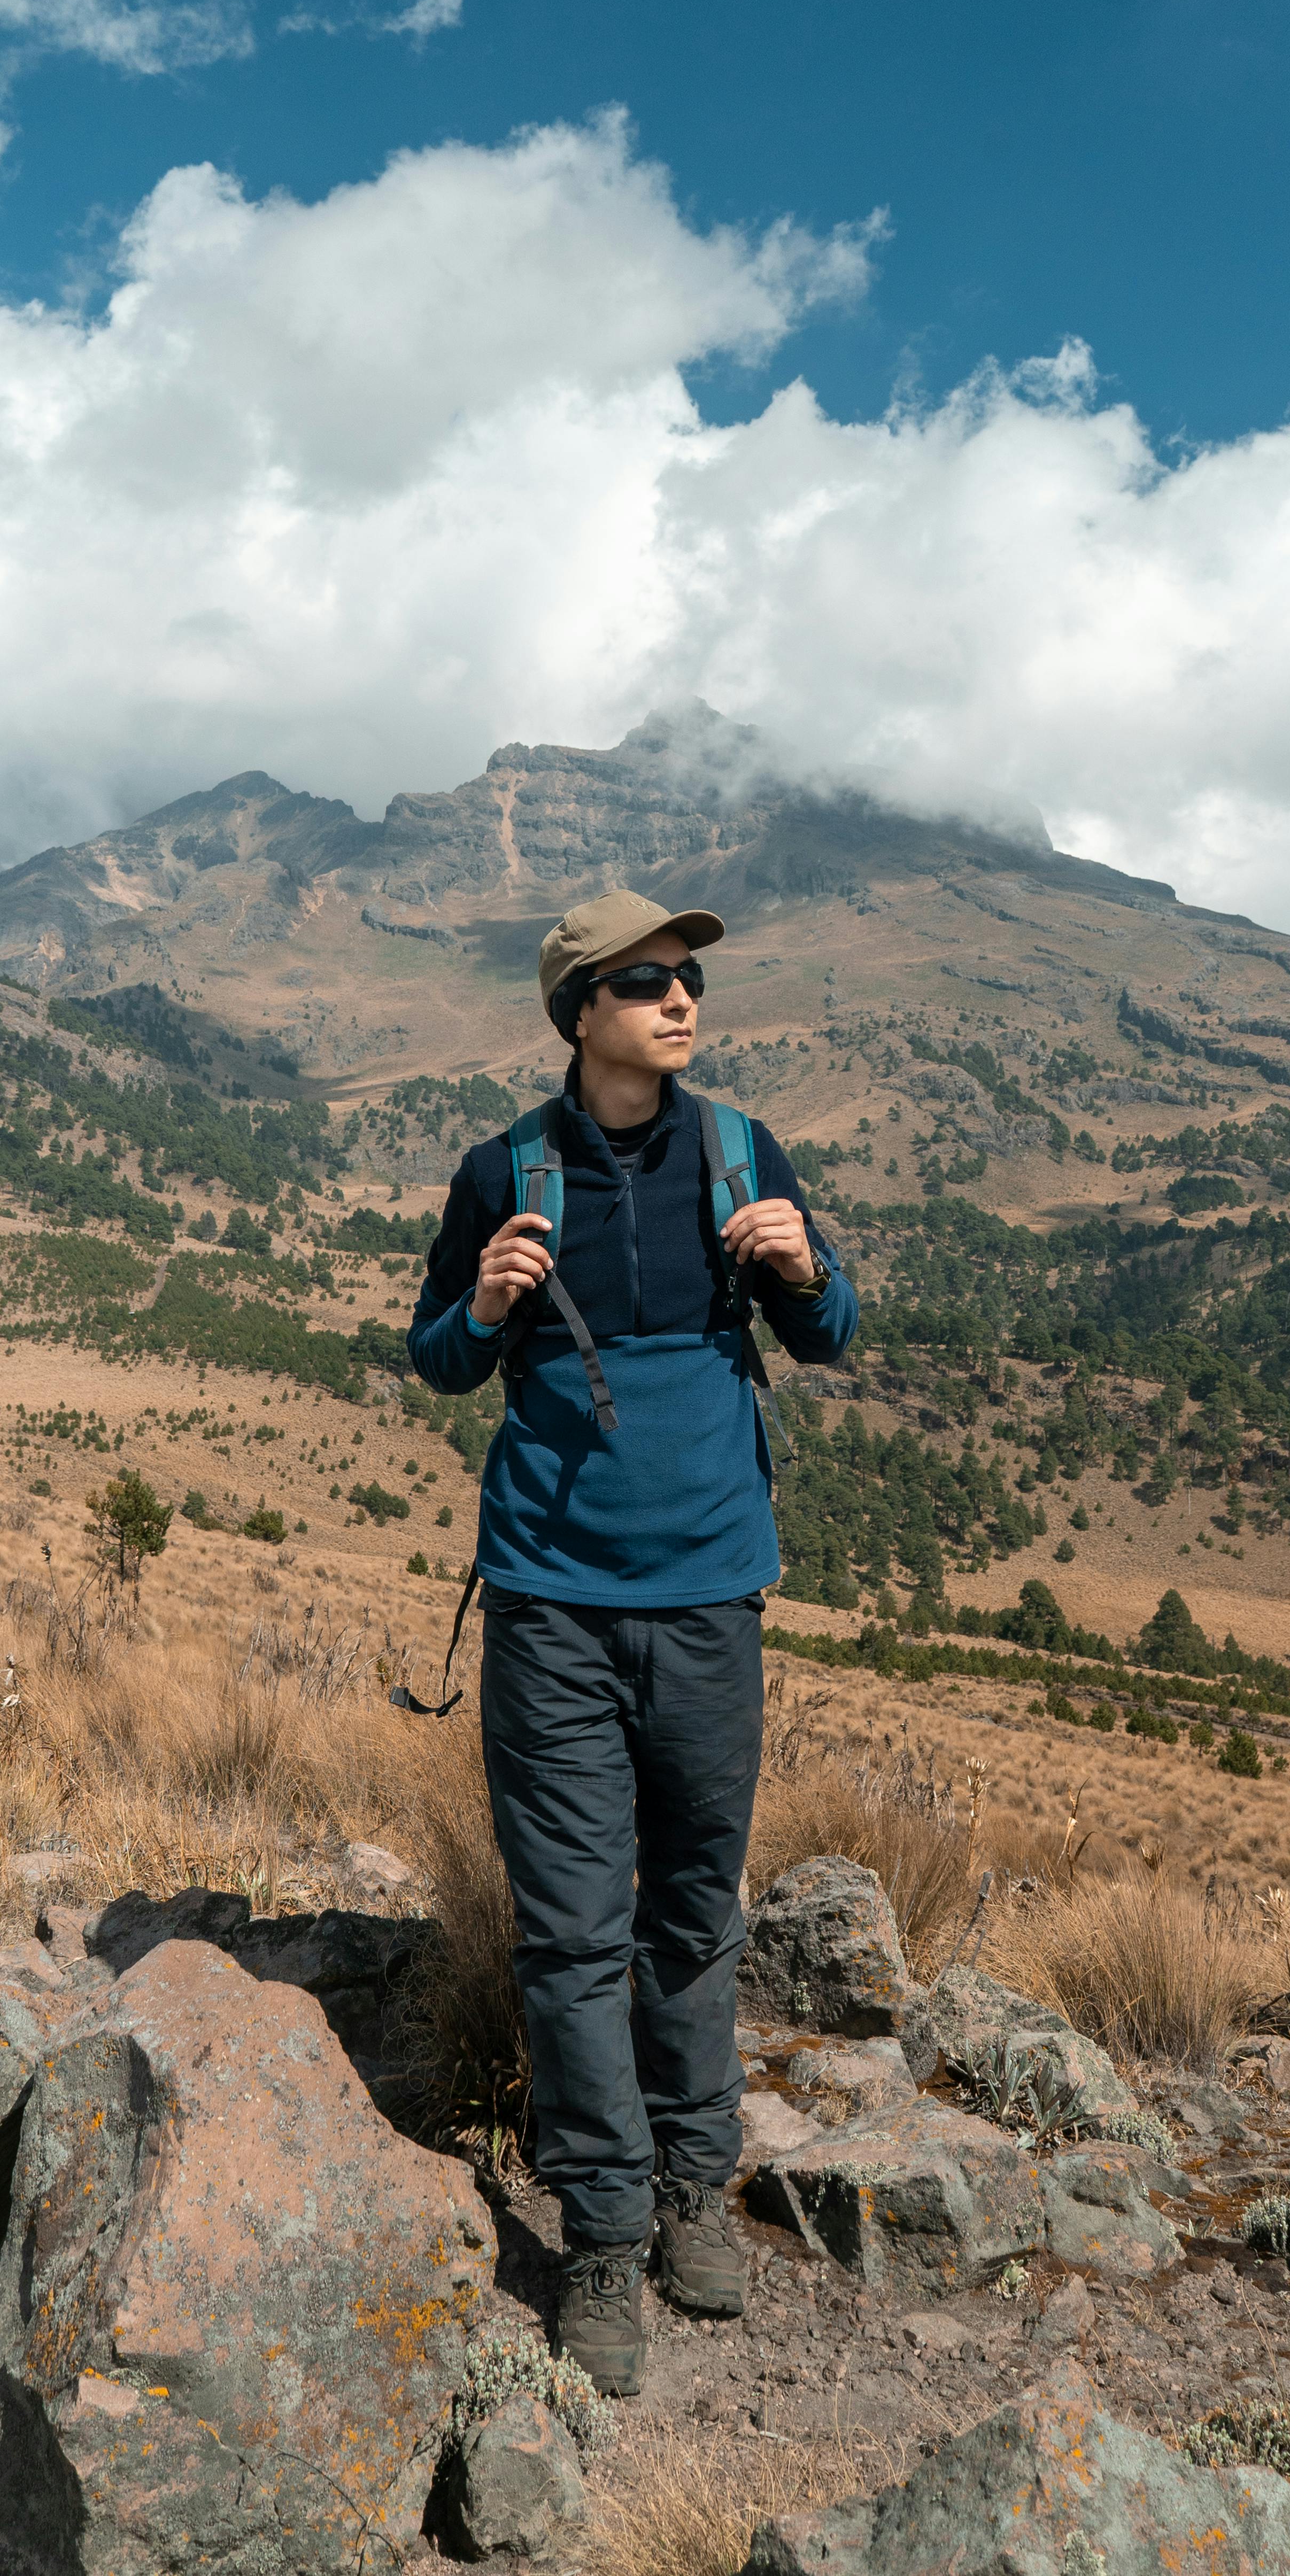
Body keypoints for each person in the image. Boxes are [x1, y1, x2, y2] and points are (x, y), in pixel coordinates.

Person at [407, 889, 858, 2396]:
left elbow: (832, 1337)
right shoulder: (507, 1171)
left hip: (712, 1601)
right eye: (648, 981)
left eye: (690, 979)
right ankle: (601, 2236)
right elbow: (440, 1362)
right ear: (580, 1010)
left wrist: (805, 1270)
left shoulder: (739, 1153)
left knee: (691, 1912)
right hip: (551, 1609)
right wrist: (481, 1306)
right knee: (575, 1932)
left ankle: (693, 2186)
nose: (682, 999)